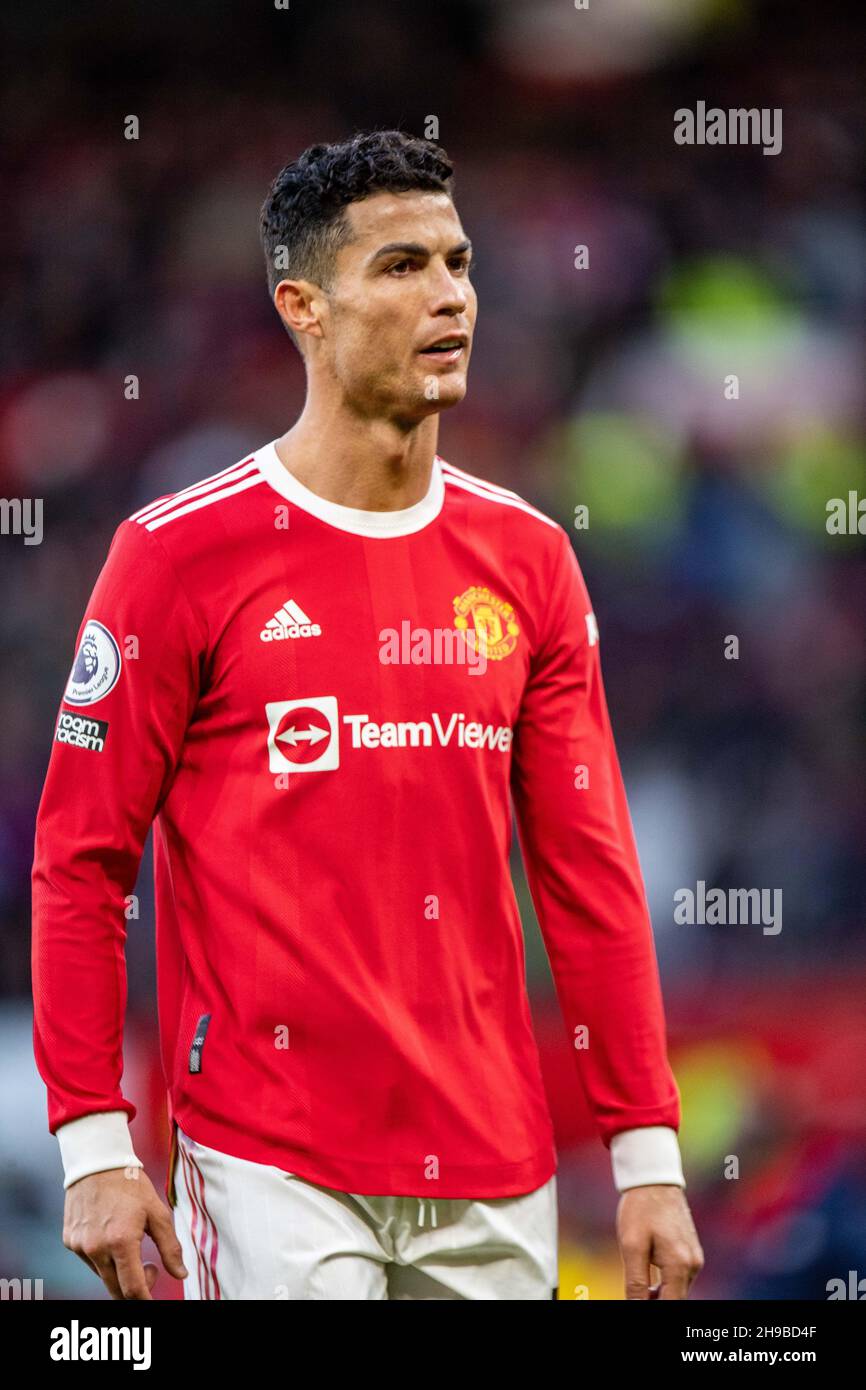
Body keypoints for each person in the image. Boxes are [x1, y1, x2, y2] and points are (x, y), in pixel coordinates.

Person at [31, 129, 703, 1300]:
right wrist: (93, 1139)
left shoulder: (528, 560)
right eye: (400, 267)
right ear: (303, 306)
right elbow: (80, 861)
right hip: (267, 1155)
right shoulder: (177, 556)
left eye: (458, 262)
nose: (448, 295)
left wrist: (646, 1156)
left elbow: (588, 874)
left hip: (494, 1159)